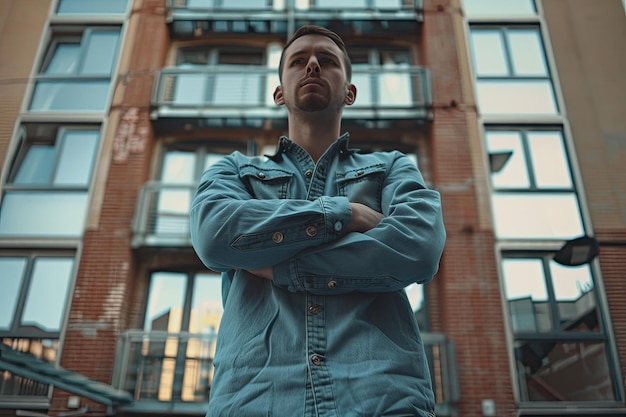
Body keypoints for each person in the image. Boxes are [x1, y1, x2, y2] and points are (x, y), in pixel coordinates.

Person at [190, 25, 446, 417]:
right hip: (255, 398)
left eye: (326, 61)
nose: (312, 65)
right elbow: (213, 234)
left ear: (350, 91)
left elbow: (418, 248)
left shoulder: (391, 167)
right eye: (298, 61)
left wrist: (280, 265)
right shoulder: (236, 171)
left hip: (383, 398)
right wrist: (345, 213)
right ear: (279, 92)